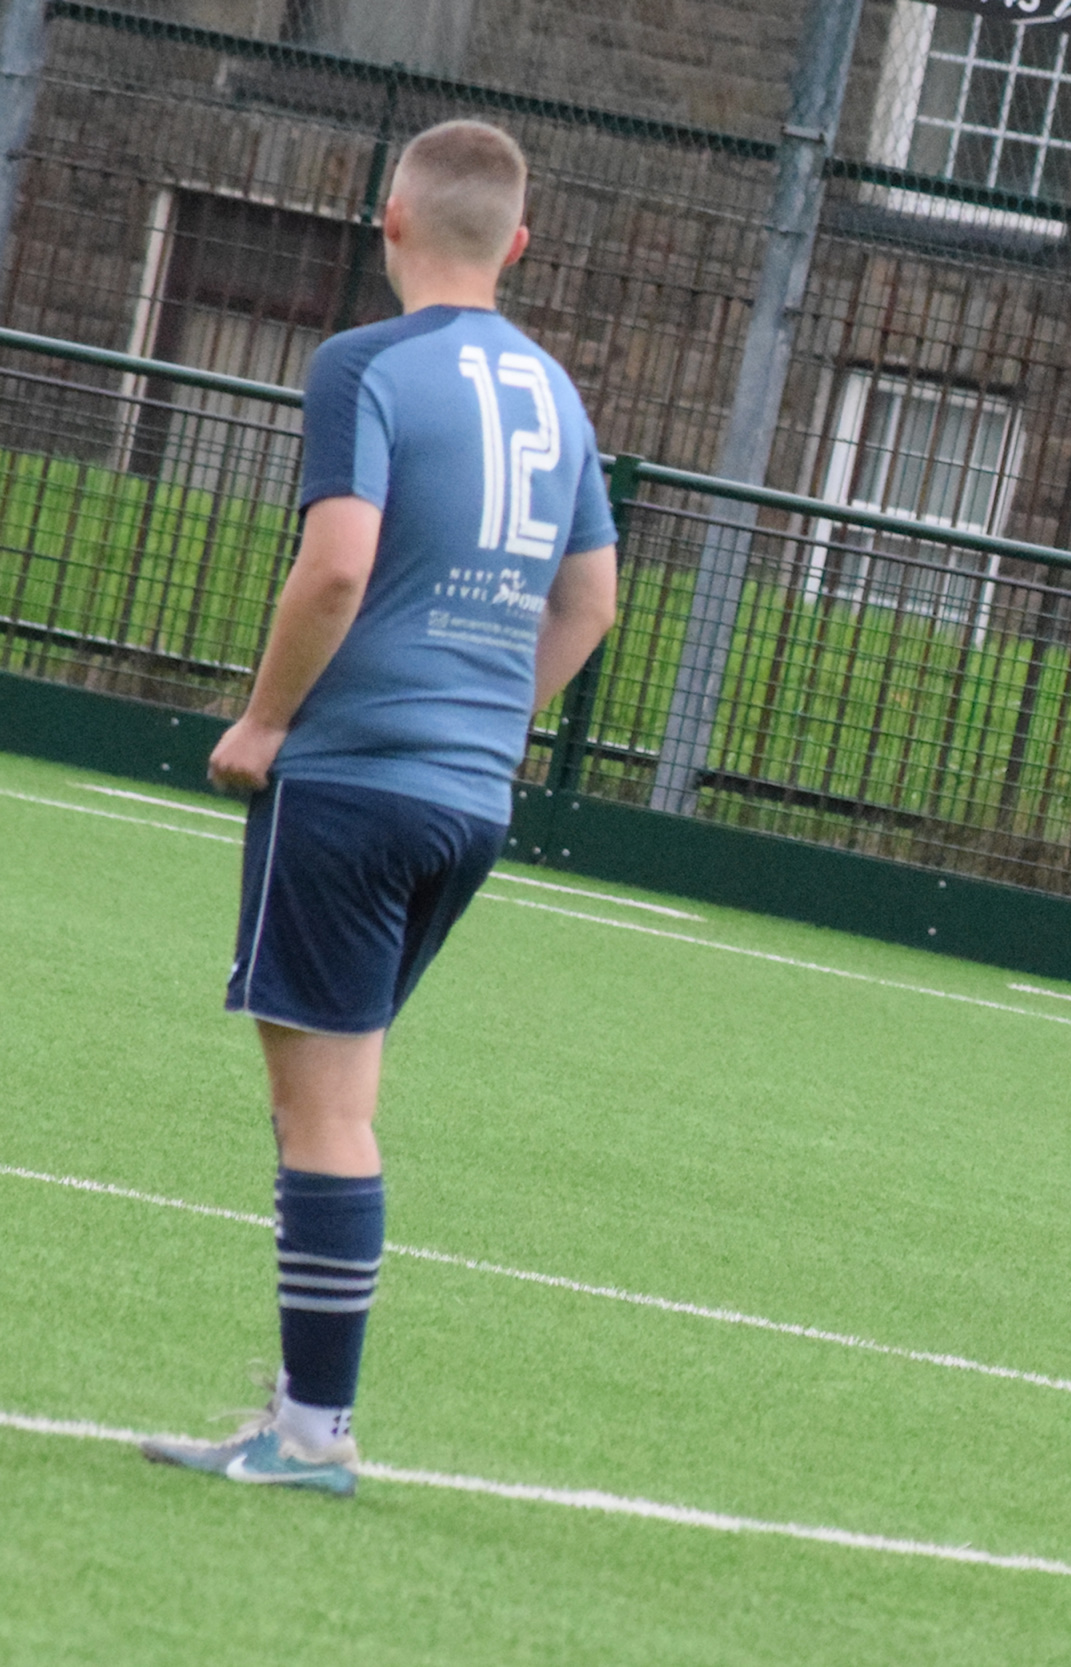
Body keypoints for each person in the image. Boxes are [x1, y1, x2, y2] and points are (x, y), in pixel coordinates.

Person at [139, 120, 618, 1494]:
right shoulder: (557, 390)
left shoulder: (364, 363)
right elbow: (591, 600)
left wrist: (266, 717)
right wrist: (489, 718)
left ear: (386, 222)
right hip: (468, 796)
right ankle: (303, 1400)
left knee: (326, 1115)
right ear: (516, 245)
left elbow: (338, 564)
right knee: (342, 1098)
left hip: (351, 779)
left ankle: (311, 1433)